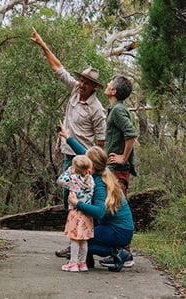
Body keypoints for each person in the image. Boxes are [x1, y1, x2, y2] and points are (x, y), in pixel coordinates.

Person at [31, 28, 106, 258]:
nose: (82, 84)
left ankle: (83, 245)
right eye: (82, 79)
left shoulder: (97, 110)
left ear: (94, 87)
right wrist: (43, 44)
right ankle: (76, 242)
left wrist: (94, 167)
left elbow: (101, 141)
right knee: (69, 200)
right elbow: (58, 68)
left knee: (80, 201)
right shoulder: (74, 90)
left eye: (87, 82)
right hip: (68, 155)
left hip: (84, 159)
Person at [59, 126, 134, 272]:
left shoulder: (100, 183)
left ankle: (118, 253)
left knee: (81, 238)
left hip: (119, 230)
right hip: (115, 228)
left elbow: (99, 212)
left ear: (91, 166)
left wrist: (77, 203)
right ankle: (87, 260)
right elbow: (83, 153)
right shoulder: (98, 169)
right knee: (80, 234)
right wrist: (67, 137)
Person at [56, 155, 95, 272]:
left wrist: (68, 171)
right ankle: (82, 263)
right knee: (83, 240)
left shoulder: (73, 180)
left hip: (75, 213)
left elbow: (60, 181)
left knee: (74, 239)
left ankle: (73, 263)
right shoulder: (90, 180)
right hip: (87, 215)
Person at [104, 75, 138, 196]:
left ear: (113, 91)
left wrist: (123, 158)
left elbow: (131, 134)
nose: (107, 83)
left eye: (110, 82)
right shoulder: (117, 109)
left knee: (116, 205)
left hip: (117, 169)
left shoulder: (118, 110)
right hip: (113, 167)